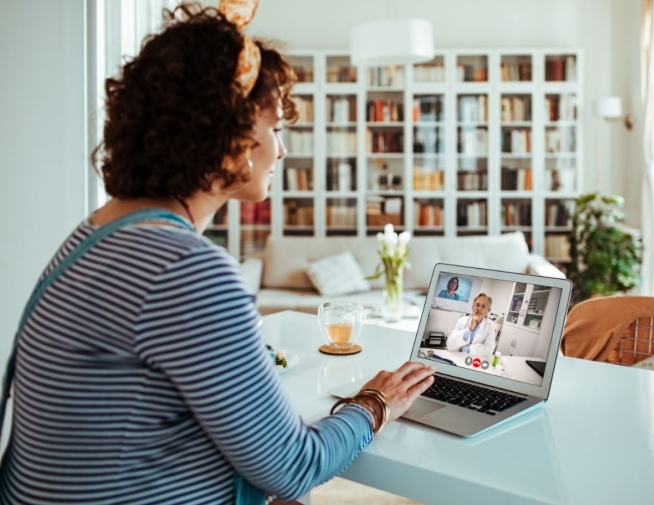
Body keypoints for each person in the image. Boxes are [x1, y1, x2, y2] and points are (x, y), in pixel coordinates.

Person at [0, 3, 435, 504]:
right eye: (275, 128)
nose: (282, 149)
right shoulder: (186, 268)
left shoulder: (91, 236)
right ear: (230, 133)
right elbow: (293, 467)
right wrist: (375, 403)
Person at [445, 293, 497, 357]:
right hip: (457, 356)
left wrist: (466, 349)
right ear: (472, 307)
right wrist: (469, 329)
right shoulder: (462, 321)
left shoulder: (490, 325)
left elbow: (489, 349)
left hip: (476, 359)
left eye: (483, 306)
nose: (479, 308)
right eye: (477, 305)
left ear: (488, 310)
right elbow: (450, 344)